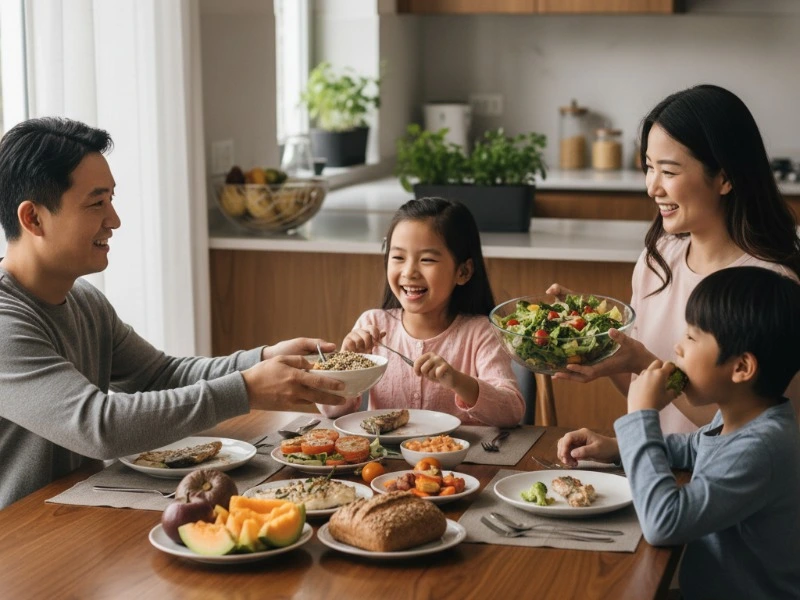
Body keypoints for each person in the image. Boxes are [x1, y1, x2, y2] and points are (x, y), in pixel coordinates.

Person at [0, 117, 345, 509]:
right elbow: (98, 425)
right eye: (96, 203)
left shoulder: (84, 301)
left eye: (111, 200)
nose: (114, 220)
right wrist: (247, 388)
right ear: (33, 218)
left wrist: (263, 359)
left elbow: (158, 376)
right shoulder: (5, 323)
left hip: (73, 516)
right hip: (16, 542)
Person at [549, 84, 800, 433]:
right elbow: (645, 396)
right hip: (657, 470)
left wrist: (644, 360)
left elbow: (755, 431)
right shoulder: (658, 260)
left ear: (725, 178)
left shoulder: (772, 286)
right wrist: (599, 343)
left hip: (722, 484)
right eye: (649, 167)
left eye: (668, 171)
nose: (653, 187)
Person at [557, 267, 800, 599]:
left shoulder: (761, 447)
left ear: (741, 367)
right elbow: (694, 447)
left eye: (692, 337)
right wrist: (616, 447)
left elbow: (663, 522)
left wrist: (641, 416)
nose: (678, 348)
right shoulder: (743, 419)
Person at [317, 197, 524, 427]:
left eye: (427, 259)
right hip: (383, 461)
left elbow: (512, 412)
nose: (409, 272)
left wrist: (457, 381)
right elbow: (332, 410)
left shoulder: (481, 332)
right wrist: (345, 362)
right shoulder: (371, 323)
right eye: (398, 257)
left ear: (463, 271)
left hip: (457, 461)